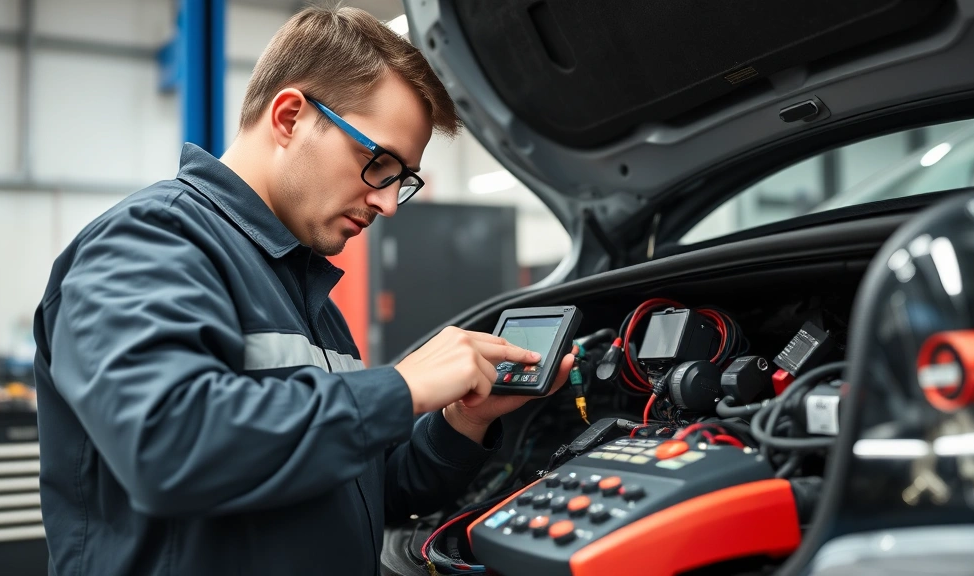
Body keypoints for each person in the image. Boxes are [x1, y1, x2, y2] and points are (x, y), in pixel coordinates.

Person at [32, 6, 574, 576]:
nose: (389, 202)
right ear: (290, 117)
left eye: (402, 179)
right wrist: (401, 388)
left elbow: (361, 489)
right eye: (378, 163)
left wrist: (464, 422)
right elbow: (170, 447)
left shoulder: (305, 291)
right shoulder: (150, 241)